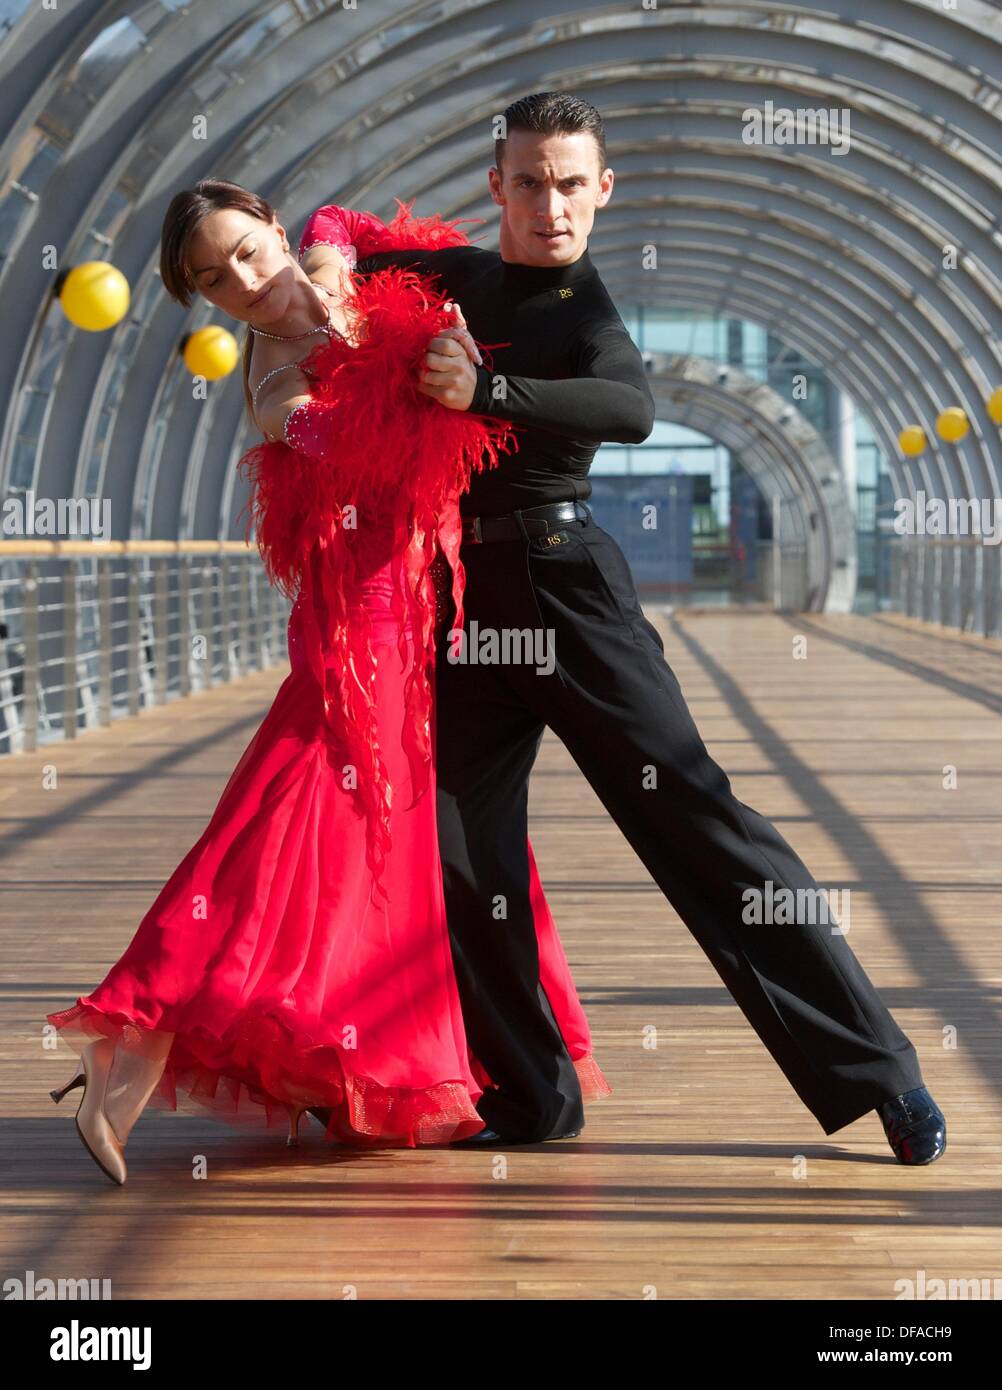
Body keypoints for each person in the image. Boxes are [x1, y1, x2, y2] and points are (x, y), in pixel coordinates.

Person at [307, 91, 946, 1163]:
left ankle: (882, 1074)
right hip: (463, 605)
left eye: (571, 184)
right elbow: (332, 220)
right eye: (529, 181)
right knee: (460, 854)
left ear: (602, 191)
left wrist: (489, 389)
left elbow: (629, 407)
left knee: (696, 821)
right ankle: (533, 1095)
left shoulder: (582, 306)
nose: (551, 205)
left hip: (569, 592)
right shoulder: (456, 276)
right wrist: (327, 262)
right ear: (497, 185)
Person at [43, 178, 610, 1185]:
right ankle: (137, 1044)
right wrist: (433, 376)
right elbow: (364, 456)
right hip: (365, 626)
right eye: (213, 282)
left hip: (432, 608)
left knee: (407, 837)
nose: (245, 283)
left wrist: (335, 258)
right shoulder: (272, 384)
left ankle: (357, 1065)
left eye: (246, 252)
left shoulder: (342, 268)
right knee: (294, 815)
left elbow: (342, 222)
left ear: (268, 224)